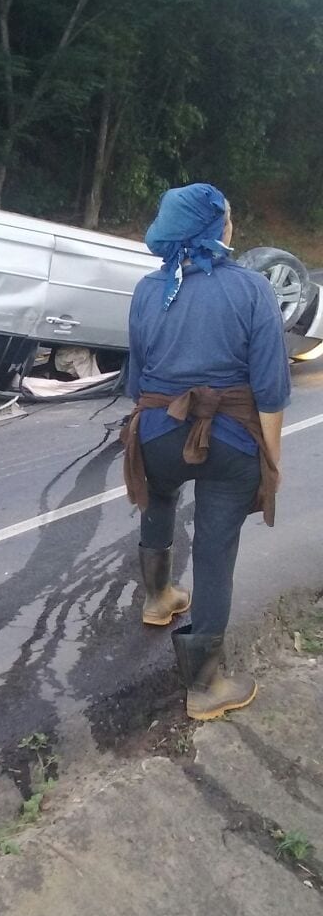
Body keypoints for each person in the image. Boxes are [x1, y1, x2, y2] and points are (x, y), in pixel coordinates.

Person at [122, 182, 290, 721]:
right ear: (216, 228)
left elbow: (135, 381)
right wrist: (271, 461)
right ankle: (206, 686)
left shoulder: (149, 290)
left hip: (155, 429)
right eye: (229, 218)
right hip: (231, 438)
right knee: (216, 552)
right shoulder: (253, 289)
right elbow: (270, 392)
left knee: (160, 494)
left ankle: (157, 598)